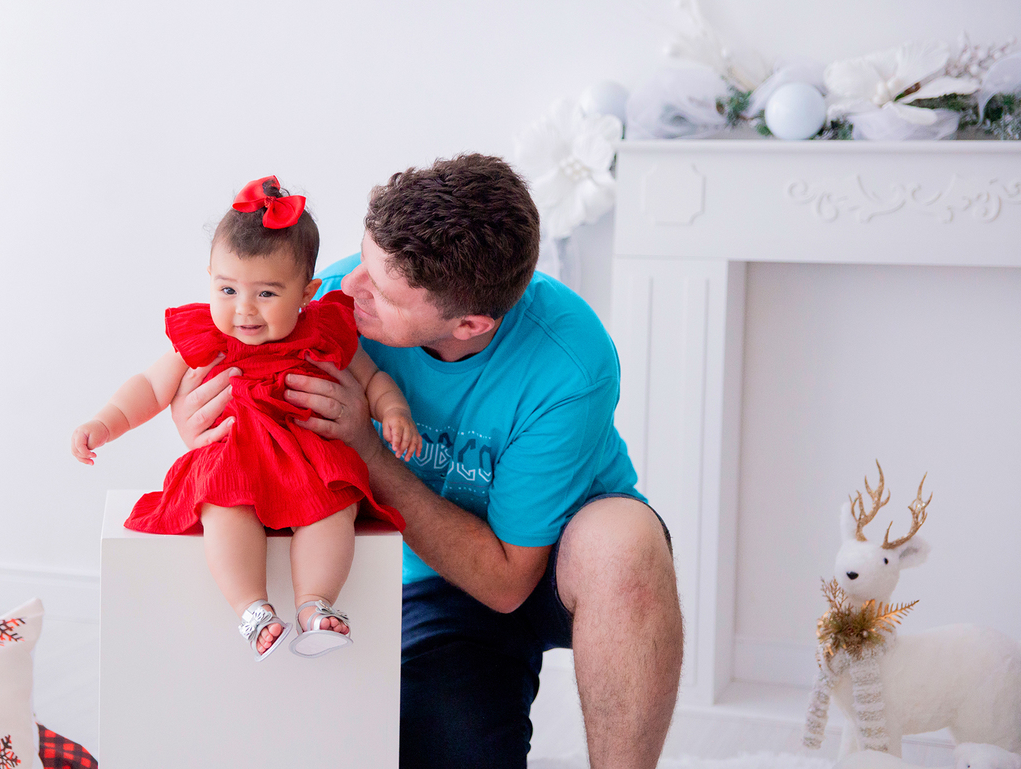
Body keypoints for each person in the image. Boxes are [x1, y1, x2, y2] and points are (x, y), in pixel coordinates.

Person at [169, 156, 683, 768]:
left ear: (469, 324)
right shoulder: (324, 307)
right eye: (363, 259)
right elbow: (226, 392)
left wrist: (365, 447)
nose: (349, 286)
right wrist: (202, 417)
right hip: (433, 584)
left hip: (547, 566)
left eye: (383, 293)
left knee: (624, 543)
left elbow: (506, 581)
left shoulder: (570, 362)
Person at [72, 176, 417, 661]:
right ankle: (252, 609)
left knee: (334, 507)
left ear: (307, 292)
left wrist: (394, 411)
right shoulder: (203, 336)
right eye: (228, 288)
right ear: (209, 276)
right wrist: (104, 423)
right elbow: (150, 387)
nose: (244, 310)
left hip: (307, 459)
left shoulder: (323, 331)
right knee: (223, 508)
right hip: (233, 454)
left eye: (267, 294)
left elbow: (372, 378)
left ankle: (316, 603)